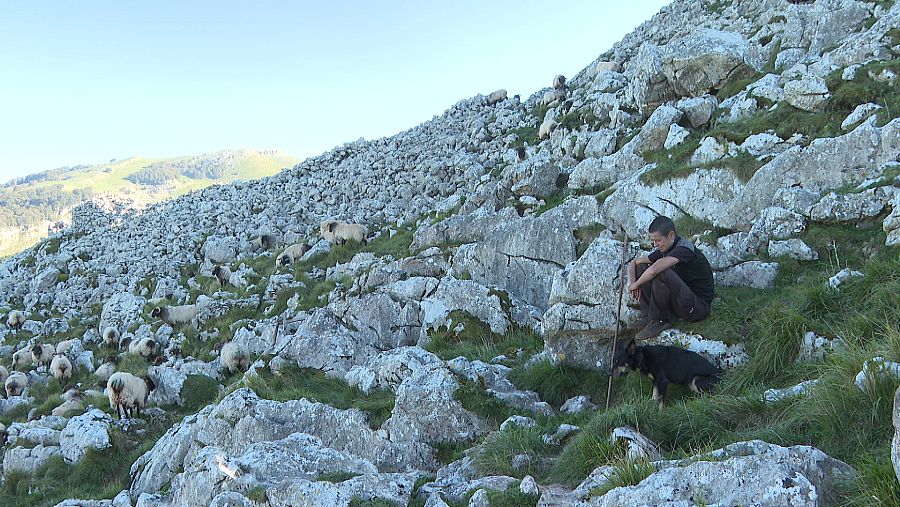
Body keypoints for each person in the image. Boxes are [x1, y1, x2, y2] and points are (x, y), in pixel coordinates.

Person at [627, 216, 715, 340]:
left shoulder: (684, 248)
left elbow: (654, 270)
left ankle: (659, 321)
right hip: (683, 299)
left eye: (658, 240)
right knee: (642, 267)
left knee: (662, 272)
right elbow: (635, 263)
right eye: (653, 241)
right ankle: (649, 317)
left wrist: (636, 284)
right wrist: (632, 283)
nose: (655, 244)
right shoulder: (666, 248)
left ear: (671, 235)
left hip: (698, 307)